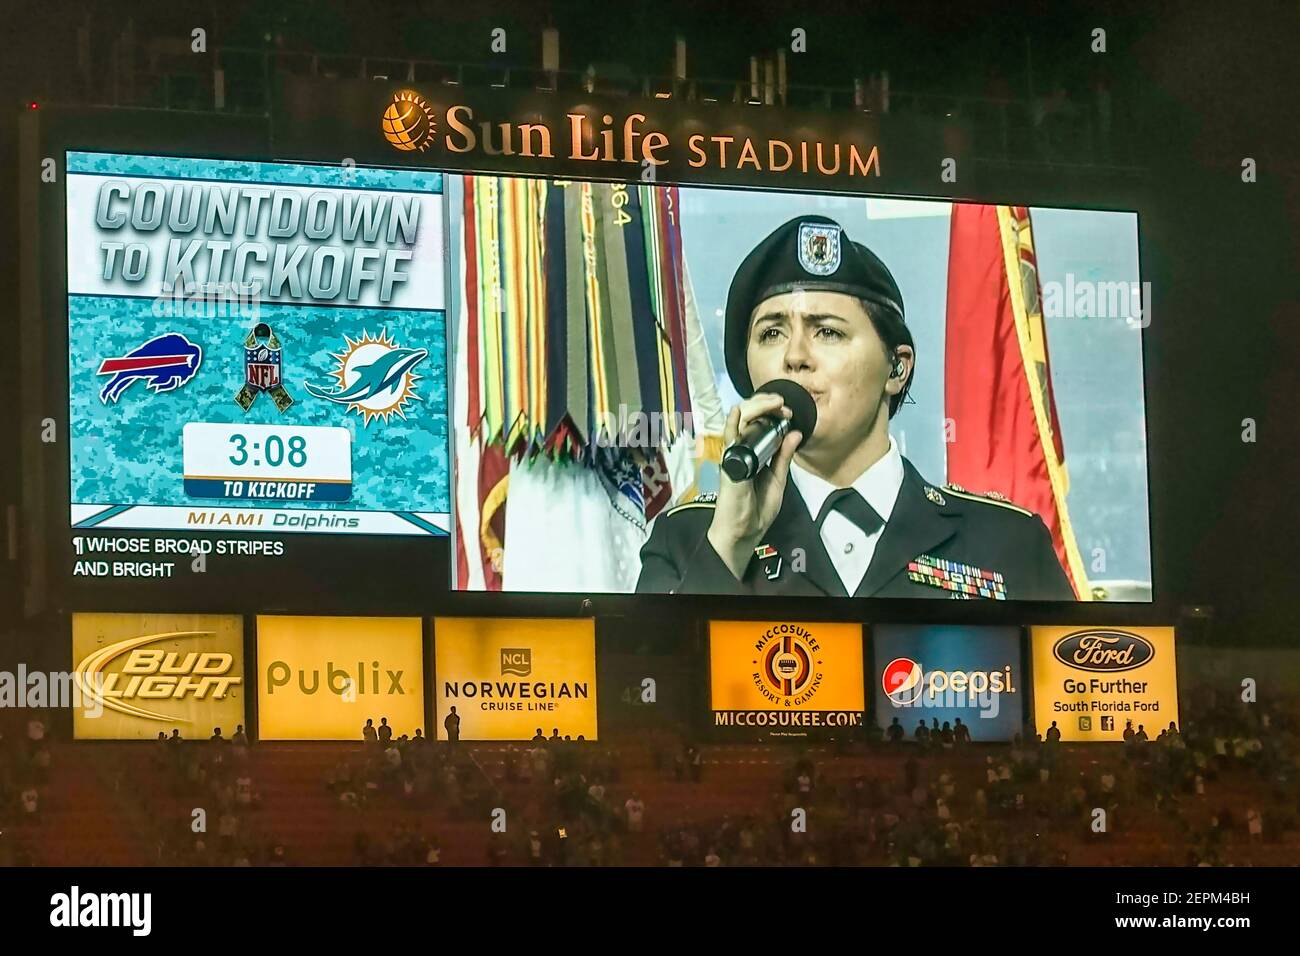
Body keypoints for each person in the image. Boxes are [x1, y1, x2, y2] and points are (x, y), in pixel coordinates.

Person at [637, 215, 1075, 600]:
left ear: (896, 369)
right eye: (771, 334)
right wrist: (729, 545)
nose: (794, 356)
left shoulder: (1006, 542)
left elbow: (1063, 688)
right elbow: (646, 689)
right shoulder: (689, 536)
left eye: (827, 332)